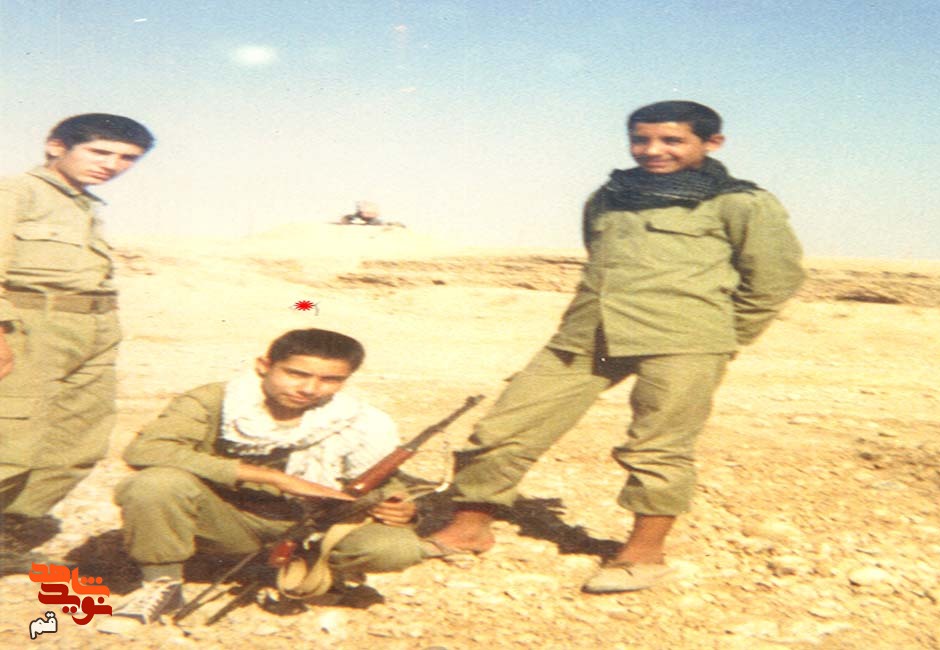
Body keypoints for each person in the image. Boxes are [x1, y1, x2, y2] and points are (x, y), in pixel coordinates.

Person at [425, 101, 805, 593]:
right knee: (507, 425)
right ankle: (470, 527)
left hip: (682, 339)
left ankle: (643, 554)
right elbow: (598, 255)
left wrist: (720, 338)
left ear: (712, 143)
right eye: (641, 139)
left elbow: (775, 278)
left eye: (672, 140)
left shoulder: (742, 202)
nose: (653, 150)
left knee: (658, 447)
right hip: (590, 333)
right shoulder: (610, 196)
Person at [99, 328, 423, 631]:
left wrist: (400, 508)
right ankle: (163, 584)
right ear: (264, 366)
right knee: (156, 483)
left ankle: (310, 573)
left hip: (311, 529)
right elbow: (147, 450)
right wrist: (272, 477)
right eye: (296, 374)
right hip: (227, 523)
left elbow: (383, 481)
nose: (309, 389)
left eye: (330, 379)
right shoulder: (217, 401)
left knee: (395, 548)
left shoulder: (359, 420)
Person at [0, 114, 154, 574]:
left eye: (127, 158)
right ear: (56, 146)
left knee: (75, 442)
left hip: (92, 328)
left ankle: (7, 536)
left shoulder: (82, 204)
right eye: (99, 151)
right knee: (12, 439)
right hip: (30, 326)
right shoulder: (16, 192)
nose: (112, 164)